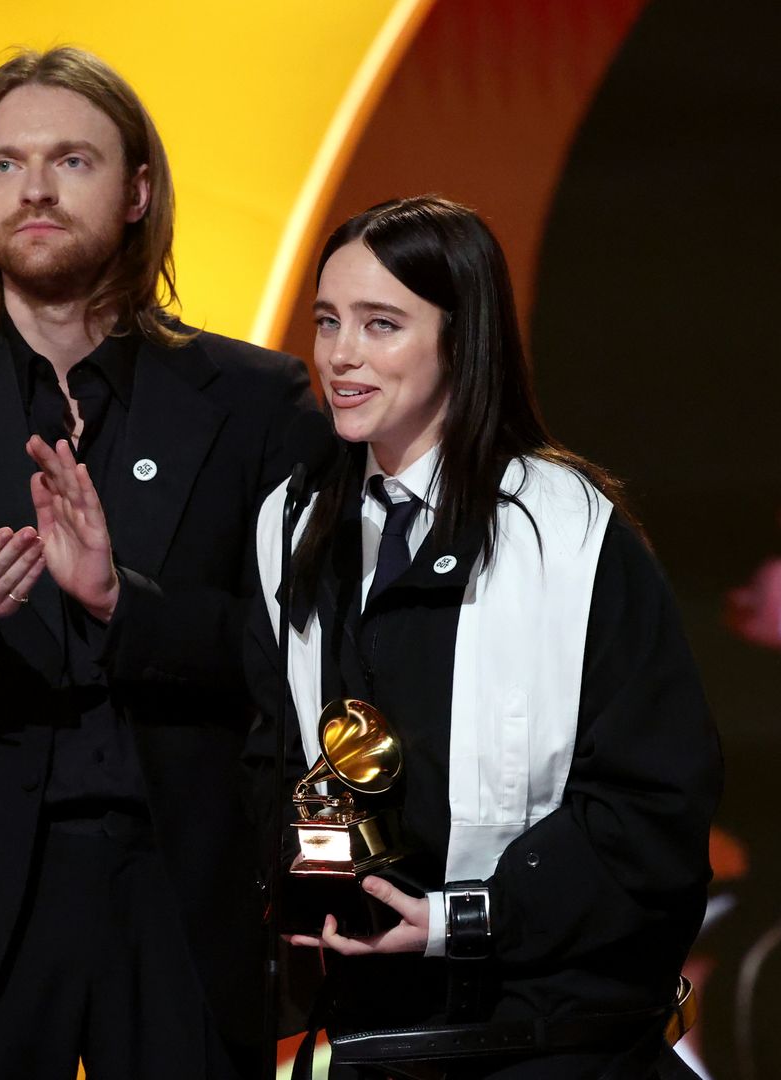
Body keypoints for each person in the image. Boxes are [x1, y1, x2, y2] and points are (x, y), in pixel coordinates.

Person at [0, 46, 312, 1080]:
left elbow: (302, 661)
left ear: (137, 192)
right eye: (4, 165)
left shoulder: (259, 402)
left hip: (187, 908)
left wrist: (123, 606)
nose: (34, 188)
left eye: (71, 160)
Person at [247, 196, 722, 1078]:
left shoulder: (568, 529)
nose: (341, 355)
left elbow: (653, 803)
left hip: (546, 1041)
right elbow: (266, 758)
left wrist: (469, 915)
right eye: (328, 321)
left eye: (380, 324)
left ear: (462, 340)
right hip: (369, 1037)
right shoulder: (290, 521)